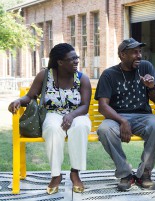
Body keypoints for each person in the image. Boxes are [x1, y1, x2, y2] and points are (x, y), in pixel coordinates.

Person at [8, 43, 92, 195]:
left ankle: (75, 173)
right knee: (53, 129)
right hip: (52, 113)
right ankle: (56, 175)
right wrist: (19, 101)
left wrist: (71, 115)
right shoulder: (45, 76)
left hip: (77, 114)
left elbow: (85, 106)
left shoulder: (82, 78)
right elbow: (30, 95)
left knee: (80, 127)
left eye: (77, 58)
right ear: (60, 62)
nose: (76, 61)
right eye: (72, 59)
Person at [95, 38, 155, 191]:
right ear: (122, 55)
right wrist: (122, 121)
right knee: (104, 130)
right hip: (116, 117)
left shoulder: (146, 67)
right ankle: (125, 174)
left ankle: (144, 174)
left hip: (143, 116)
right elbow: (103, 106)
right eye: (134, 52)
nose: (139, 56)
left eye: (140, 52)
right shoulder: (109, 74)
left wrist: (151, 87)